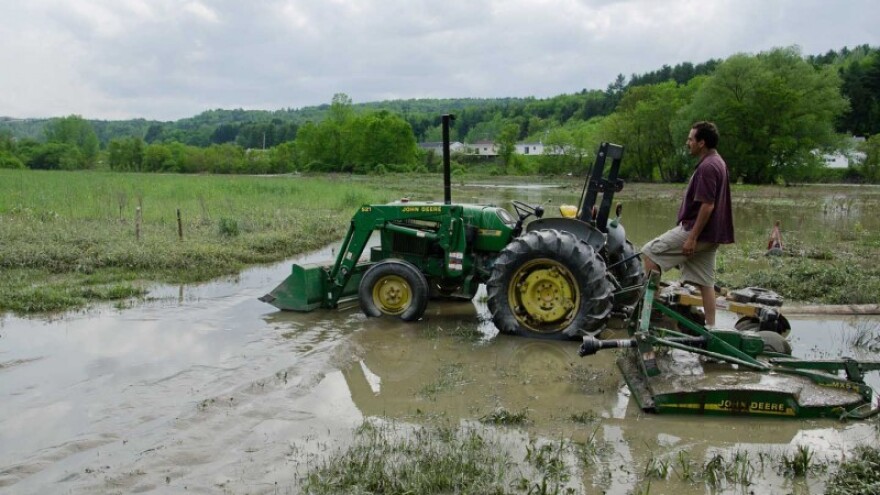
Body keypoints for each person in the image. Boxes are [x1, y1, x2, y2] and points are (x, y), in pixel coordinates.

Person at [641, 121, 734, 328]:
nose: (687, 142)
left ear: (701, 143)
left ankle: (652, 314)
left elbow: (708, 206)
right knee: (705, 283)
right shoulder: (718, 162)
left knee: (650, 253)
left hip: (697, 232)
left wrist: (691, 237)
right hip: (712, 236)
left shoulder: (708, 167)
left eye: (691, 139)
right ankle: (711, 329)